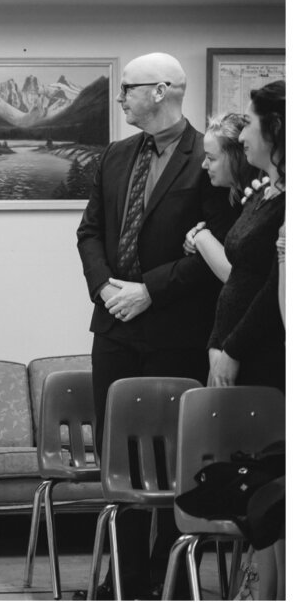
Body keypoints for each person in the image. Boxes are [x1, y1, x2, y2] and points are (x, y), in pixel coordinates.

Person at [75, 52, 239, 599]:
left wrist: (150, 290)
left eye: (128, 88)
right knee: (115, 457)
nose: (120, 97)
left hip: (176, 329)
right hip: (114, 329)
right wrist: (107, 288)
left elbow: (217, 246)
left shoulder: (210, 158)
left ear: (162, 89)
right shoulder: (116, 155)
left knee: (172, 459)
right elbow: (90, 233)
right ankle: (120, 578)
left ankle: (169, 577)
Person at [205, 80, 285, 391]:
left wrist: (233, 350)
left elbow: (274, 287)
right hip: (228, 352)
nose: (241, 136)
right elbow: (240, 278)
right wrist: (216, 344)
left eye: (248, 123)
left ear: (275, 127)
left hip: (262, 356)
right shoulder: (260, 194)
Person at [182, 112, 256, 281]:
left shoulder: (260, 201)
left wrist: (201, 237)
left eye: (211, 158)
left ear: (236, 157)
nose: (203, 164)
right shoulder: (229, 196)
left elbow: (236, 275)